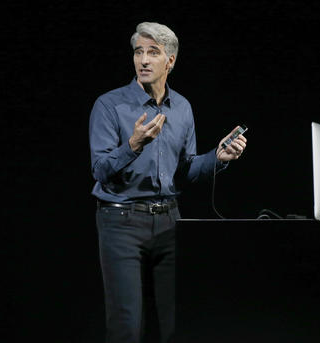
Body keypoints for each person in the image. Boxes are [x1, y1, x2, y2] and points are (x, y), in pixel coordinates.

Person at [89, 22, 247, 343]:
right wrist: (132, 145)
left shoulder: (183, 108)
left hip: (169, 223)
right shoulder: (109, 105)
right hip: (121, 222)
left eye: (153, 53)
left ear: (170, 62)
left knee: (178, 324)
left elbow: (185, 171)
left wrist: (218, 158)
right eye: (138, 52)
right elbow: (101, 169)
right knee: (127, 327)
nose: (144, 60)